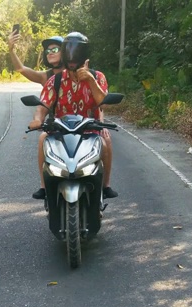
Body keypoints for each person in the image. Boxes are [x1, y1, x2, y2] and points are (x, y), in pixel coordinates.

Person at [28, 32, 118, 200]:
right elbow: (43, 105)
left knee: (106, 141)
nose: (72, 59)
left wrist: (91, 81)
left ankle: (105, 186)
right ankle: (44, 187)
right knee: (42, 139)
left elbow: (103, 104)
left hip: (90, 128)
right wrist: (37, 119)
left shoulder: (98, 77)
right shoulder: (55, 80)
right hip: (60, 128)